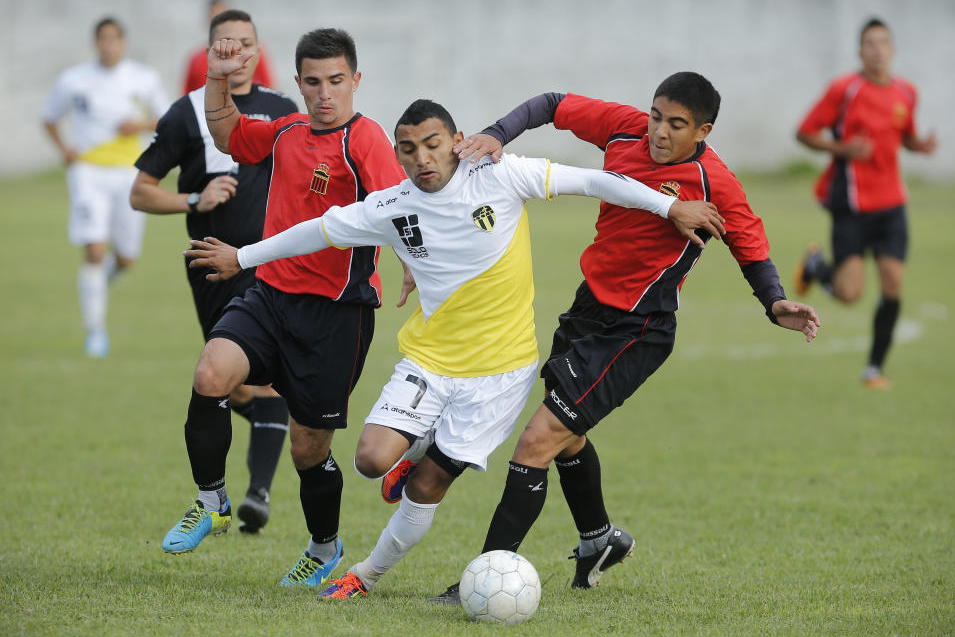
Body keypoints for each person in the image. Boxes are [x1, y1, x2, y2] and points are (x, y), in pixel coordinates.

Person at [183, 98, 725, 600]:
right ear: (398, 153)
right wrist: (244, 257)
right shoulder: (390, 205)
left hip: (500, 374)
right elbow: (318, 230)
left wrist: (667, 208)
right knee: (371, 461)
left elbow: (594, 181)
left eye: (434, 144)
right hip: (430, 361)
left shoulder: (501, 174)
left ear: (457, 140)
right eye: (409, 148)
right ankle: (418, 448)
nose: (423, 158)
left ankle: (365, 575)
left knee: (427, 484)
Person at [427, 72, 821, 602]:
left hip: (639, 330)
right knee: (567, 435)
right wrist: (499, 133)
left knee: (537, 440)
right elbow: (553, 103)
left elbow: (749, 241)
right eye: (656, 115)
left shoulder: (712, 181)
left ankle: (481, 581)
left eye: (675, 124)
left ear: (702, 131)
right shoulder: (624, 130)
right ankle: (599, 539)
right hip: (587, 307)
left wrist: (775, 302)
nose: (659, 131)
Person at [159, 28, 407, 592]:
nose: (325, 94)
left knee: (307, 447)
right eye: (313, 82)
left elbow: (398, 206)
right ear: (297, 84)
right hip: (269, 295)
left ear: (355, 81)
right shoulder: (288, 129)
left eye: (336, 82)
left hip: (336, 315)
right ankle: (213, 501)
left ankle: (324, 546)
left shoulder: (364, 139)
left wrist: (411, 260)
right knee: (210, 373)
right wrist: (218, 78)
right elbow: (228, 135)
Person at [130, 9, 297, 534]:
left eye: (245, 44)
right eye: (226, 44)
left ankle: (257, 496)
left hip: (268, 263)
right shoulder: (185, 113)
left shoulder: (282, 109)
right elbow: (140, 191)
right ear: (210, 52)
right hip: (208, 264)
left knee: (262, 382)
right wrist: (194, 198)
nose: (237, 53)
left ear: (257, 49)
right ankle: (244, 482)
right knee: (233, 388)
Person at [793, 18, 936, 390]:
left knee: (892, 284)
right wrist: (842, 149)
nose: (877, 50)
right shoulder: (844, 90)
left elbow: (903, 134)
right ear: (859, 51)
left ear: (892, 49)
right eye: (869, 44)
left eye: (883, 43)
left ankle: (874, 369)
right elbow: (804, 132)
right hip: (852, 205)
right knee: (849, 294)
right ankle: (815, 267)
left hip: (892, 205)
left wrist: (917, 146)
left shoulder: (906, 92)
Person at [42, 17, 169, 357]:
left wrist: (138, 125)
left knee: (126, 258)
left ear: (123, 42)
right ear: (95, 43)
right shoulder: (75, 80)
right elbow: (49, 117)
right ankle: (95, 331)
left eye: (115, 39)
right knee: (95, 250)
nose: (109, 45)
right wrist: (65, 150)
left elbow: (167, 118)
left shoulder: (143, 78)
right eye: (103, 39)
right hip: (88, 172)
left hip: (129, 173)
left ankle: (97, 285)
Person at [181, 0, 276, 95]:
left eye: (223, 15)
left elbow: (270, 87)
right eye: (214, 16)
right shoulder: (196, 59)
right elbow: (187, 96)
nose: (218, 21)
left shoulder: (250, 53)